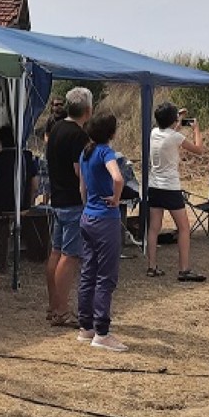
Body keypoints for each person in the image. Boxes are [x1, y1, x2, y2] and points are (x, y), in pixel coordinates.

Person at [77, 109, 127, 351]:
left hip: (87, 216)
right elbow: (118, 178)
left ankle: (85, 326)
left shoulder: (85, 152)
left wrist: (88, 205)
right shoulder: (106, 152)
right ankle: (102, 332)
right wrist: (116, 199)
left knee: (88, 272)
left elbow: (82, 187)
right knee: (106, 277)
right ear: (112, 132)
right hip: (105, 219)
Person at [44, 87, 92, 328]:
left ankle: (54, 306)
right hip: (73, 202)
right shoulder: (78, 136)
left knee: (56, 252)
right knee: (69, 256)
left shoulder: (56, 129)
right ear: (88, 110)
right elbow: (79, 171)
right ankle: (62, 311)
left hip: (57, 200)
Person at [145, 103, 206, 282]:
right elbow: (199, 149)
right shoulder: (175, 137)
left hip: (154, 186)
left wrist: (176, 118)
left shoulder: (154, 133)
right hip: (170, 187)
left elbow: (170, 130)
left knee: (154, 228)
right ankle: (184, 269)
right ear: (173, 120)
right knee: (184, 228)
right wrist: (196, 129)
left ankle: (151, 266)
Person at [0, 124, 39, 265]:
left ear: (0, 140)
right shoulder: (26, 157)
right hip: (24, 205)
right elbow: (35, 183)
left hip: (0, 205)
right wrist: (30, 200)